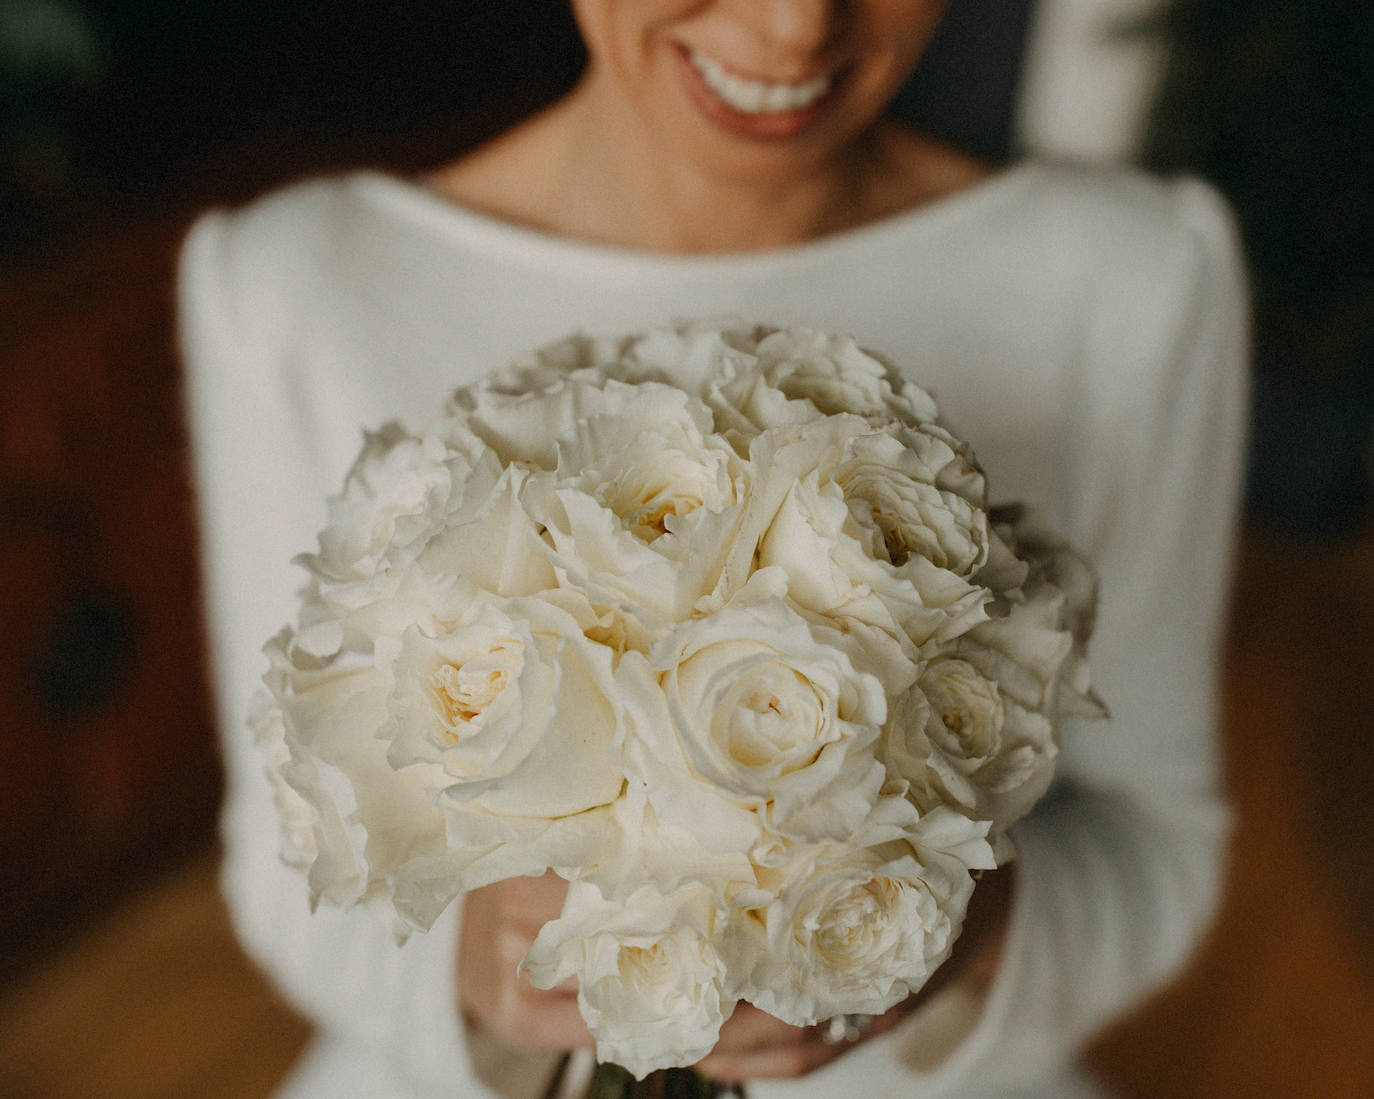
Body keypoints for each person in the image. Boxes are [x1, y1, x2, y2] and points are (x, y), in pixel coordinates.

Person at [179, 2, 1249, 1097]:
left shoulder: (1140, 277)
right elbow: (284, 869)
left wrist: (939, 932)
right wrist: (484, 972)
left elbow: (1158, 846)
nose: (794, 30)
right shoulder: (296, 288)